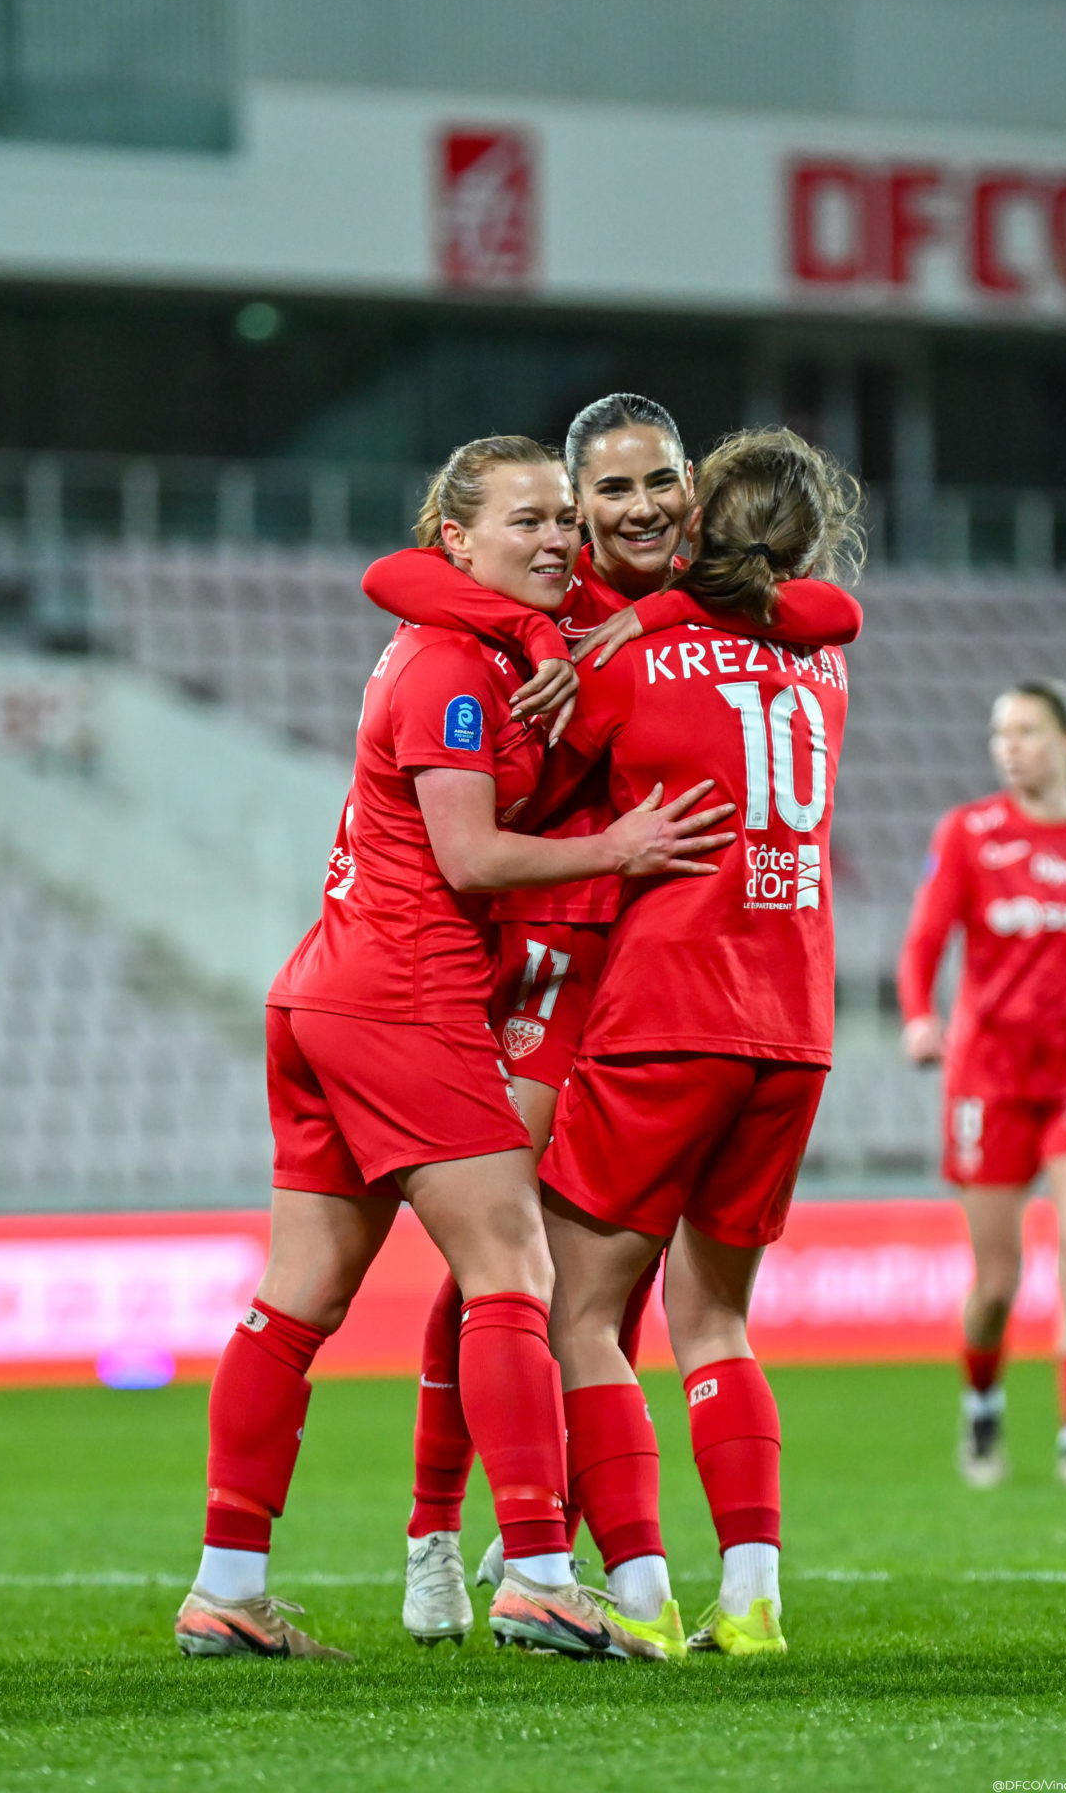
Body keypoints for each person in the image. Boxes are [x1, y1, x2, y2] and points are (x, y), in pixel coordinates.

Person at [172, 434, 731, 1666]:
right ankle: (535, 1572)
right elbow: (469, 859)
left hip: (329, 990)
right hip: (404, 994)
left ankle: (225, 1587)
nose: (555, 538)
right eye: (527, 520)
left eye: (559, 519)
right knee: (511, 1269)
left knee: (298, 1300)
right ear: (457, 539)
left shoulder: (472, 642)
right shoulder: (448, 669)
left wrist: (540, 633)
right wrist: (619, 849)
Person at [362, 398, 863, 1647]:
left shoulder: (687, 618)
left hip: (651, 981)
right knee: (507, 1263)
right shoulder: (553, 588)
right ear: (576, 506)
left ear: (693, 495)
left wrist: (646, 619)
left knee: (587, 1285)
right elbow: (397, 576)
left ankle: (567, 1535)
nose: (640, 508)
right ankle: (439, 1532)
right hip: (567, 960)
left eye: (661, 484)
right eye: (613, 491)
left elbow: (823, 606)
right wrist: (536, 628)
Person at [535, 425, 862, 1660]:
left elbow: (532, 794)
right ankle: (752, 1596)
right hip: (794, 1024)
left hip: (667, 1012)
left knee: (580, 1311)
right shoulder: (823, 662)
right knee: (715, 1316)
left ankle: (637, 1592)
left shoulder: (630, 657)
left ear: (694, 522)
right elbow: (812, 613)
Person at [898, 680, 1066, 1490]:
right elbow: (923, 941)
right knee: (995, 1283)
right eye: (1001, 734)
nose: (1009, 748)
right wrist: (918, 1017)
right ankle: (982, 1405)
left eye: (1026, 731)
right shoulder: (968, 834)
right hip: (987, 1080)